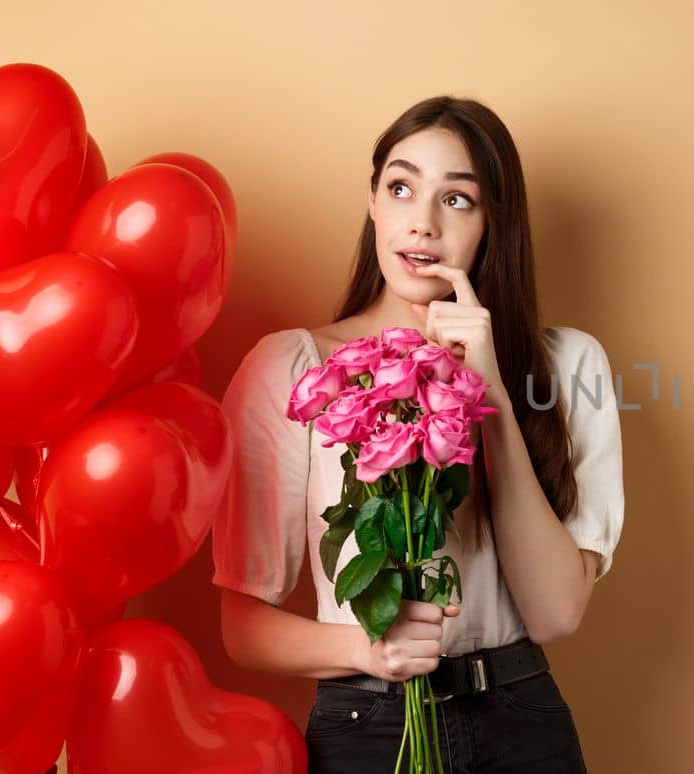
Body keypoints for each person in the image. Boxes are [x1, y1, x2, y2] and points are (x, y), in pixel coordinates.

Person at [212, 95, 624, 773]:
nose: (423, 224)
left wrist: (484, 382)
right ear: (373, 202)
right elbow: (241, 627)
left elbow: (554, 614)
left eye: (457, 200)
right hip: (367, 724)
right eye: (402, 188)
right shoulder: (297, 369)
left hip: (521, 718)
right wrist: (366, 649)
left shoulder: (568, 367)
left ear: (495, 223)